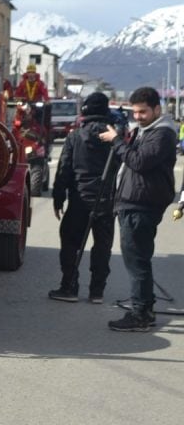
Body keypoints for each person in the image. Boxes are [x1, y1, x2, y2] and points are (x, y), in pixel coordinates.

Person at [99, 87, 177, 331]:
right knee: (138, 259)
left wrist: (117, 142)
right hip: (135, 202)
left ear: (157, 109)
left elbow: (139, 162)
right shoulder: (145, 131)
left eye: (143, 112)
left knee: (137, 261)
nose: (138, 117)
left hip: (142, 204)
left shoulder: (162, 133)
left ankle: (140, 314)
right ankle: (146, 308)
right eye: (135, 113)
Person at [49, 93, 118, 304]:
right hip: (106, 199)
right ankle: (97, 292)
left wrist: (58, 198)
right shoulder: (115, 137)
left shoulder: (75, 136)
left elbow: (64, 170)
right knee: (102, 246)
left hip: (80, 198)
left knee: (70, 242)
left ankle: (69, 287)